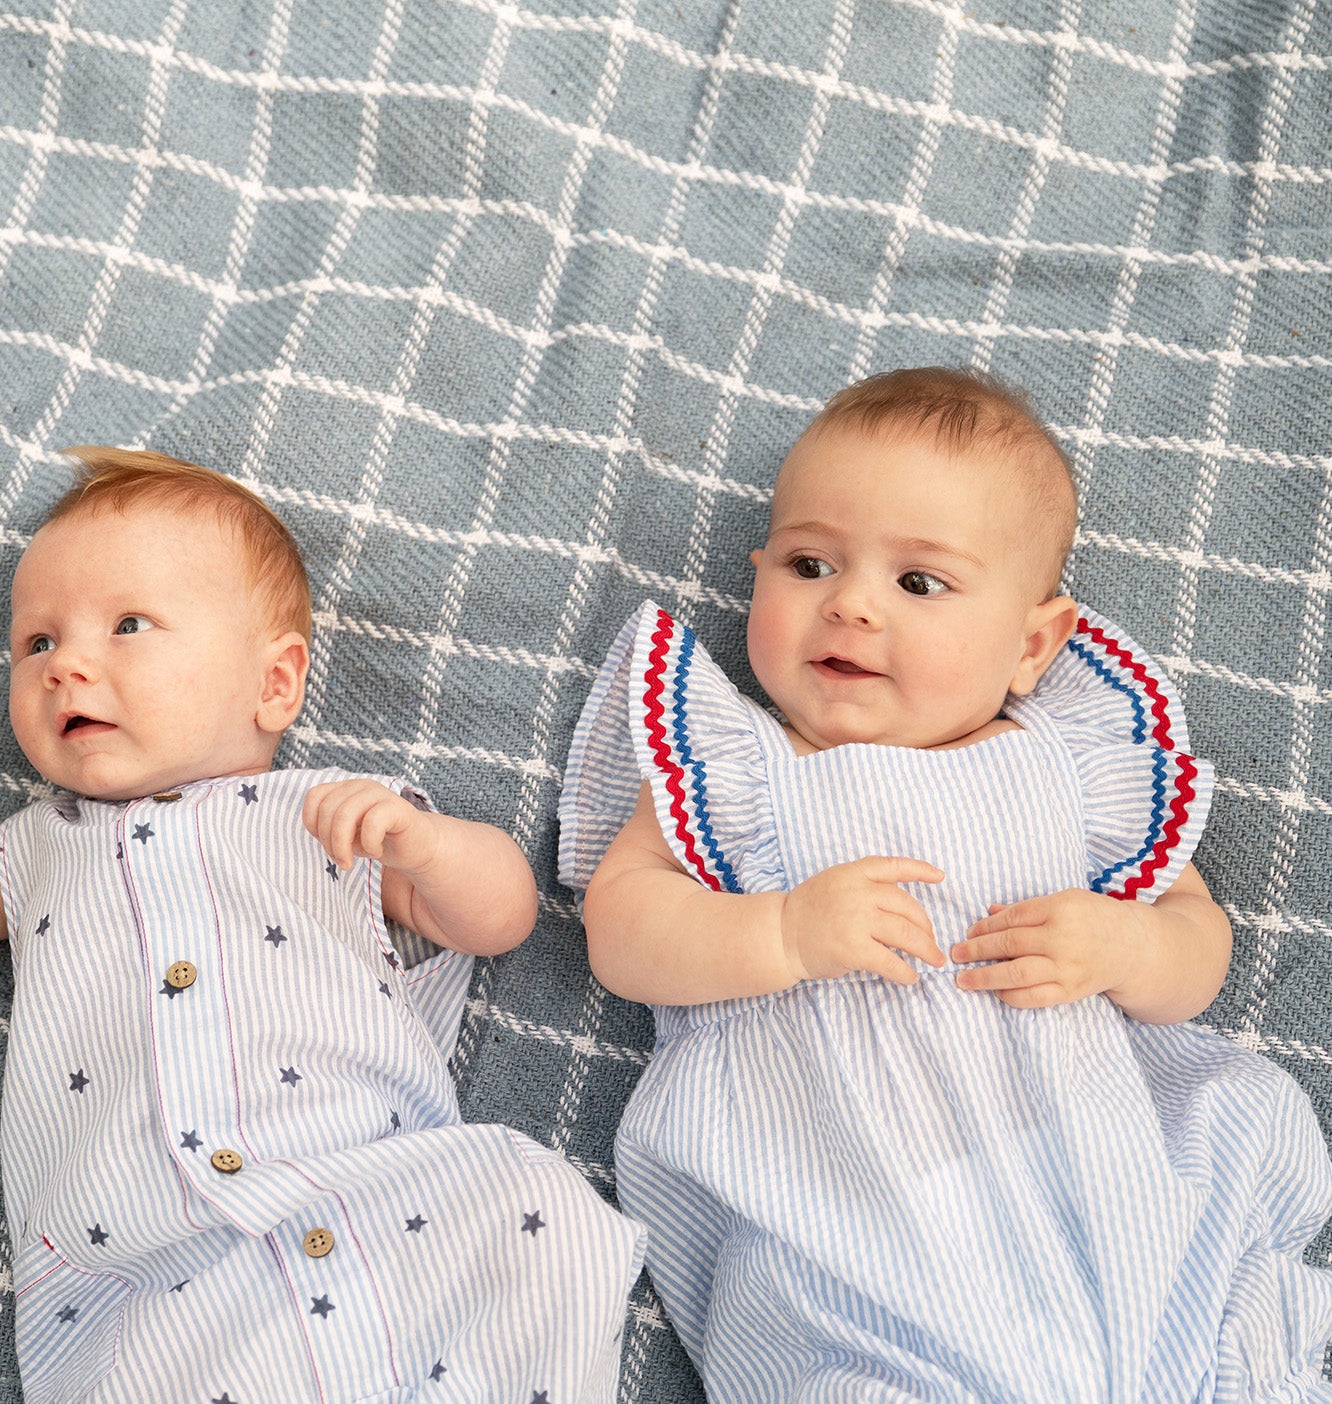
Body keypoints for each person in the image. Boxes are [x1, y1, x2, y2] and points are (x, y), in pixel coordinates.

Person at [558, 368, 1332, 1402]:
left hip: (1087, 1182)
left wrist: (1129, 946)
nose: (852, 604)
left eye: (919, 583)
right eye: (808, 562)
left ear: (1030, 644)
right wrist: (779, 934)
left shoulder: (1073, 767)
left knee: (1208, 1336)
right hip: (848, 1213)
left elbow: (1199, 942)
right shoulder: (737, 776)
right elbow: (620, 929)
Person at [0, 447, 644, 1403]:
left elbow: (499, 917)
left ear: (274, 683)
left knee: (535, 1207)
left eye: (127, 625)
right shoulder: (34, 848)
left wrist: (425, 845)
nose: (67, 667)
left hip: (377, 1196)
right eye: (36, 644)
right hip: (144, 1261)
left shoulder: (328, 813)